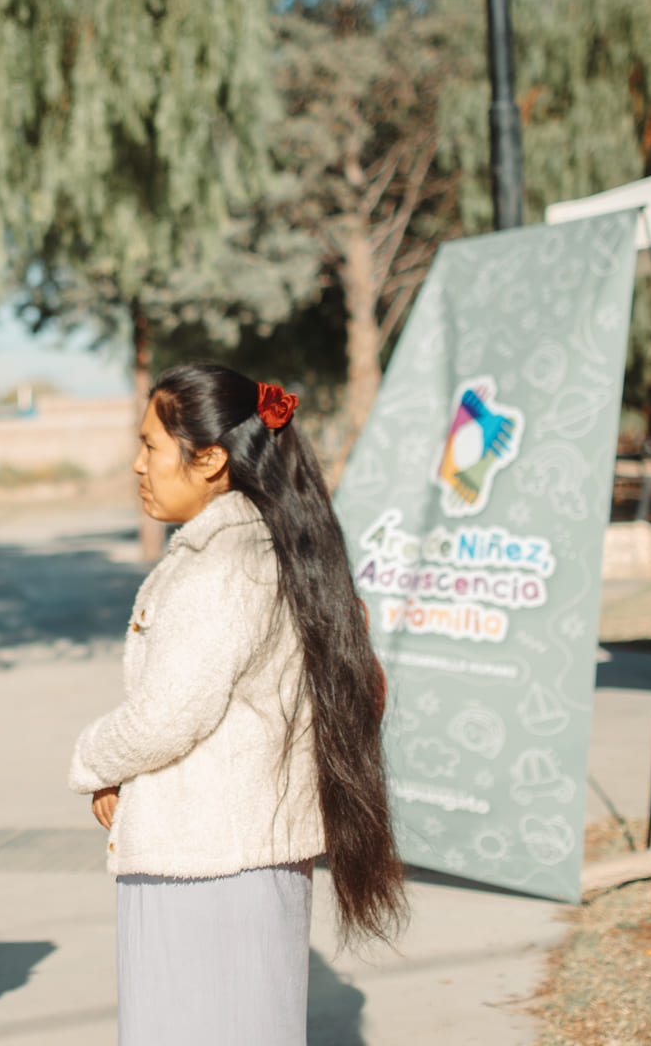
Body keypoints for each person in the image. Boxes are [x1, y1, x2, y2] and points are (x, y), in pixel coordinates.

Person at [68, 364, 404, 1045]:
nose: (138, 465)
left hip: (205, 863)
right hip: (246, 852)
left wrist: (91, 759)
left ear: (211, 459)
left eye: (151, 446)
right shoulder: (273, 541)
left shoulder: (221, 564)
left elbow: (168, 716)